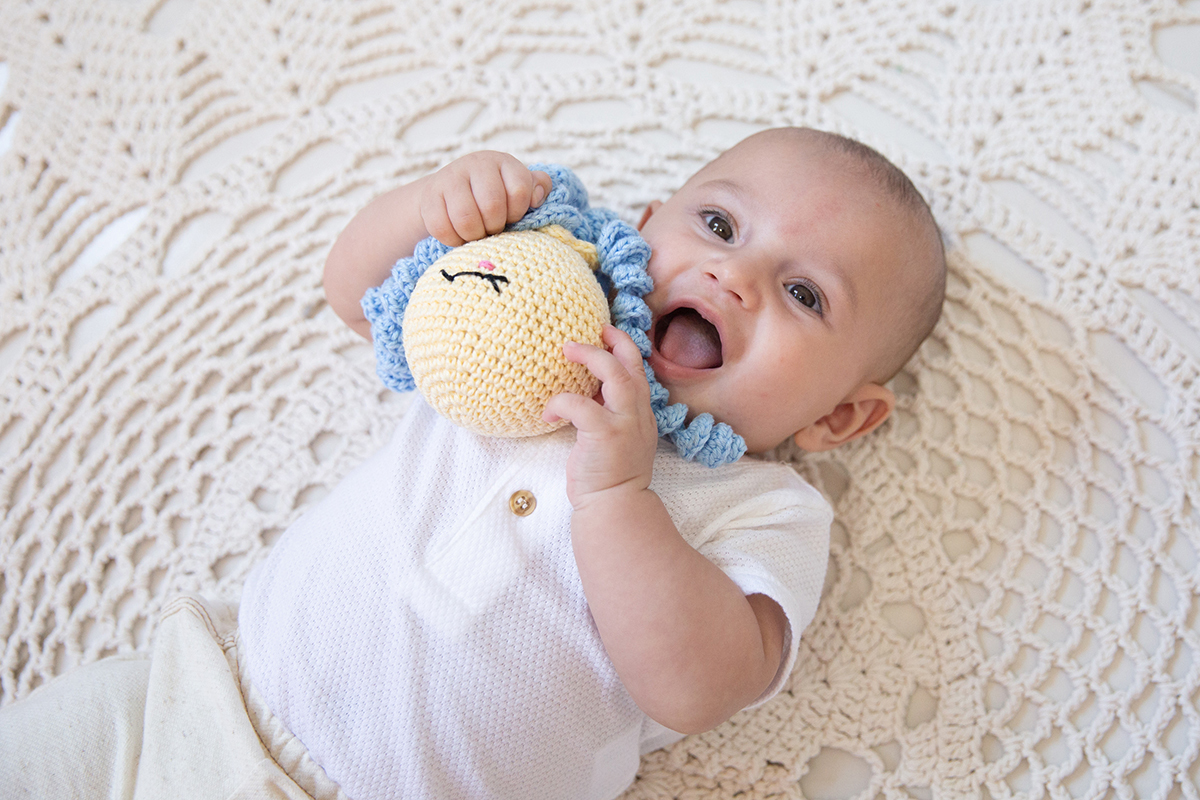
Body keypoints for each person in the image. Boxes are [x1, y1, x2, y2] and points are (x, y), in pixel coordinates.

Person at [0, 127, 945, 800]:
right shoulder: (530, 311)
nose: (732, 278)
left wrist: (620, 495)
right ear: (646, 223)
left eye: (805, 294)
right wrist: (433, 210)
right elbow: (359, 295)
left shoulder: (765, 512)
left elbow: (698, 687)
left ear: (840, 418)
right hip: (199, 696)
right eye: (721, 226)